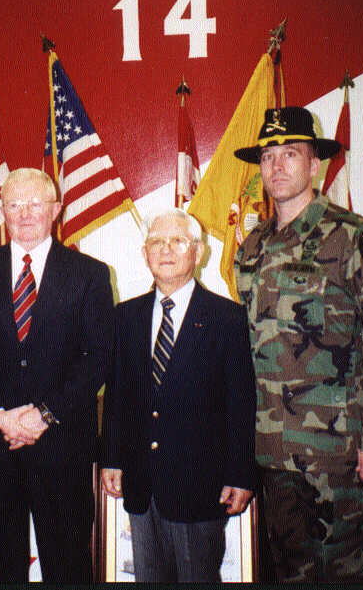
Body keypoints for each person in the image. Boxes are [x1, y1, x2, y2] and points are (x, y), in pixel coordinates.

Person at [233, 107, 363, 582]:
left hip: (334, 453)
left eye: (289, 154)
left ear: (314, 164)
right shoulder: (252, 248)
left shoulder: (353, 239)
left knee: (336, 576)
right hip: (271, 452)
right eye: (268, 156)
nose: (276, 166)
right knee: (288, 572)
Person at [0, 167, 113, 583]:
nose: (24, 214)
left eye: (34, 204)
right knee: (0, 565)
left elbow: (97, 358)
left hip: (63, 445)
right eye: (14, 205)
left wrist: (43, 415)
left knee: (68, 563)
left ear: (55, 209)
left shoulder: (90, 274)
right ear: (1, 210)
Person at [101, 208, 256, 582]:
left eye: (177, 241)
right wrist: (112, 459)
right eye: (156, 242)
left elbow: (241, 404)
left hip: (201, 486)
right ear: (145, 253)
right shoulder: (126, 316)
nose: (165, 250)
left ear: (198, 252)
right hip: (140, 483)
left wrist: (241, 474)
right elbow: (118, 395)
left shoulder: (228, 318)